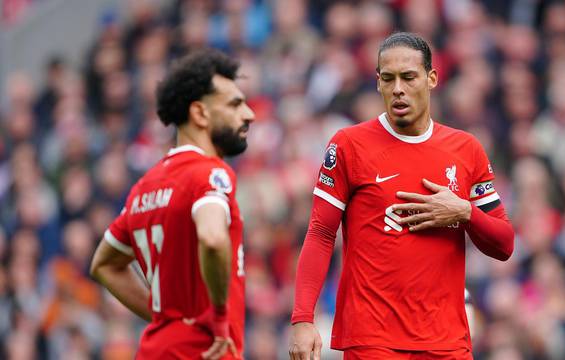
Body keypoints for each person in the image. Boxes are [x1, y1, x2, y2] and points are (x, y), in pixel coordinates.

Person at [289, 32, 515, 360]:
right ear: (378, 82)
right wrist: (303, 318)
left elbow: (505, 243)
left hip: (446, 342)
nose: (398, 89)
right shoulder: (349, 145)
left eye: (409, 77)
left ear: (431, 78)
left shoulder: (466, 150)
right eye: (388, 78)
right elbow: (321, 233)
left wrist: (464, 212)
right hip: (372, 339)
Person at [90, 49, 255, 359]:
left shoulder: (143, 188)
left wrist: (166, 319)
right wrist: (219, 316)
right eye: (235, 104)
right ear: (200, 113)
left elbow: (104, 265)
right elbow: (212, 236)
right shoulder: (211, 174)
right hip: (204, 351)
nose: (249, 114)